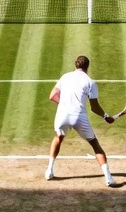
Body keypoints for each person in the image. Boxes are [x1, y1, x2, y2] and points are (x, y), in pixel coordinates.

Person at [45, 55, 116, 187]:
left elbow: (52, 96)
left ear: (76, 65)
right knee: (95, 144)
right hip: (79, 116)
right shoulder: (90, 82)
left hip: (62, 114)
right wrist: (106, 116)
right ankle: (109, 178)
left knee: (58, 137)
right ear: (87, 67)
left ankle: (49, 170)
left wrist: (64, 105)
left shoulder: (65, 77)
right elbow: (94, 108)